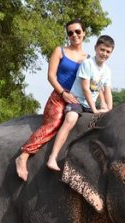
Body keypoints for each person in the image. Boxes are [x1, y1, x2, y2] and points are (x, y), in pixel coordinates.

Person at [15, 19, 88, 181]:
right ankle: (23, 156)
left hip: (77, 99)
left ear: (84, 33)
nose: (74, 35)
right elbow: (51, 76)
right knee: (53, 123)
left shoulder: (88, 58)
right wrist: (62, 93)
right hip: (59, 96)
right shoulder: (60, 51)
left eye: (77, 31)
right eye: (70, 33)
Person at [46, 35, 115, 171]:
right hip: (78, 101)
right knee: (71, 119)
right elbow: (85, 88)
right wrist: (94, 109)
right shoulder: (87, 64)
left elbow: (107, 91)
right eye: (102, 50)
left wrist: (110, 109)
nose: (104, 54)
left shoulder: (107, 71)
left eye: (108, 52)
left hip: (91, 105)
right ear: (96, 48)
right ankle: (52, 157)